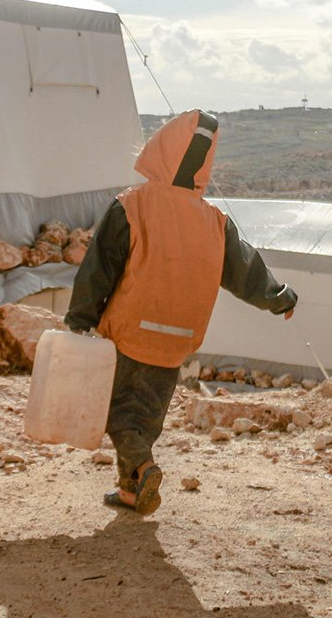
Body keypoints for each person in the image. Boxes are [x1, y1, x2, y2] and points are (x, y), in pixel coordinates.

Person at [64, 109, 298, 516]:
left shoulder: (133, 205)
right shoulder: (214, 221)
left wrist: (79, 318)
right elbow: (244, 272)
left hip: (131, 331)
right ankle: (132, 490)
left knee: (117, 411)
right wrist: (280, 297)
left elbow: (100, 268)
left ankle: (143, 467)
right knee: (147, 416)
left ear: (160, 149)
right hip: (180, 338)